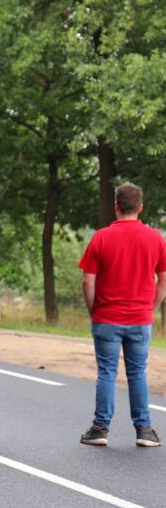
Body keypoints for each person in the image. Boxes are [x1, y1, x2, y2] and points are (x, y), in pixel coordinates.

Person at [78, 183, 166, 448]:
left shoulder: (101, 237)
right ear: (140, 208)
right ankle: (144, 430)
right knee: (137, 373)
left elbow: (87, 280)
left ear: (116, 206)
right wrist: (151, 307)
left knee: (107, 372)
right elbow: (163, 281)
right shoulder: (155, 239)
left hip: (107, 316)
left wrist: (94, 310)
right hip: (140, 318)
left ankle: (100, 429)